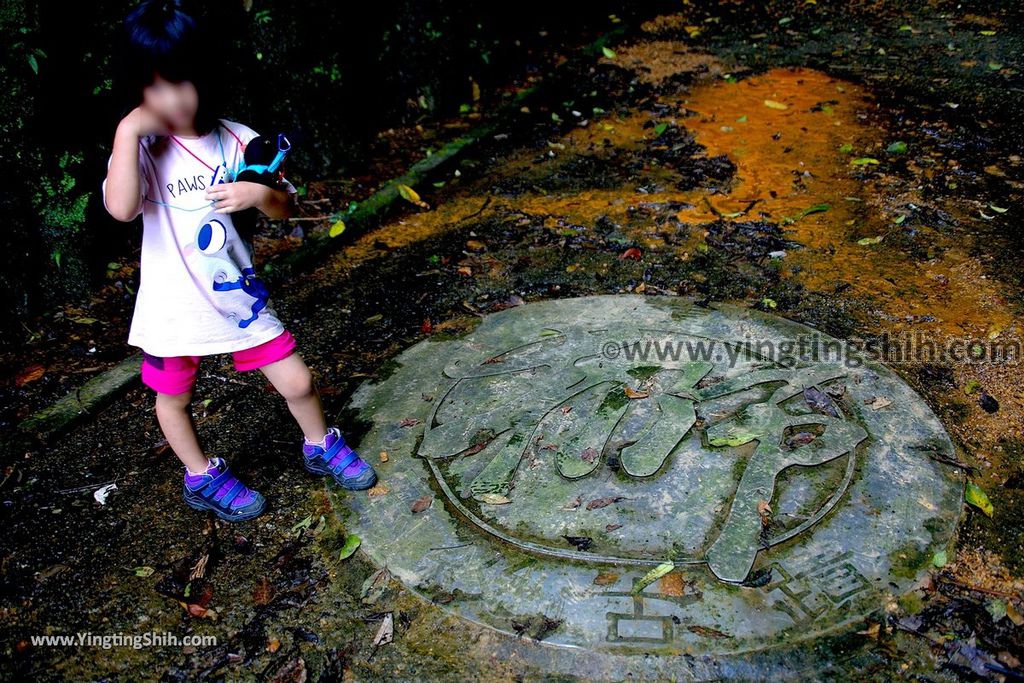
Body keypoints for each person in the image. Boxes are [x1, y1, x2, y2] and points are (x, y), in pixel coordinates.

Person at [101, 0, 377, 522]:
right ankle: (201, 474)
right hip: (172, 308)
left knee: (297, 380)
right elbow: (120, 209)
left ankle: (319, 444)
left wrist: (256, 194)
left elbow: (282, 205)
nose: (172, 99)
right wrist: (126, 132)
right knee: (173, 399)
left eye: (180, 81)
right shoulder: (142, 150)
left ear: (202, 76)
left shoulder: (237, 139)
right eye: (155, 86)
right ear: (137, 89)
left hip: (236, 298)